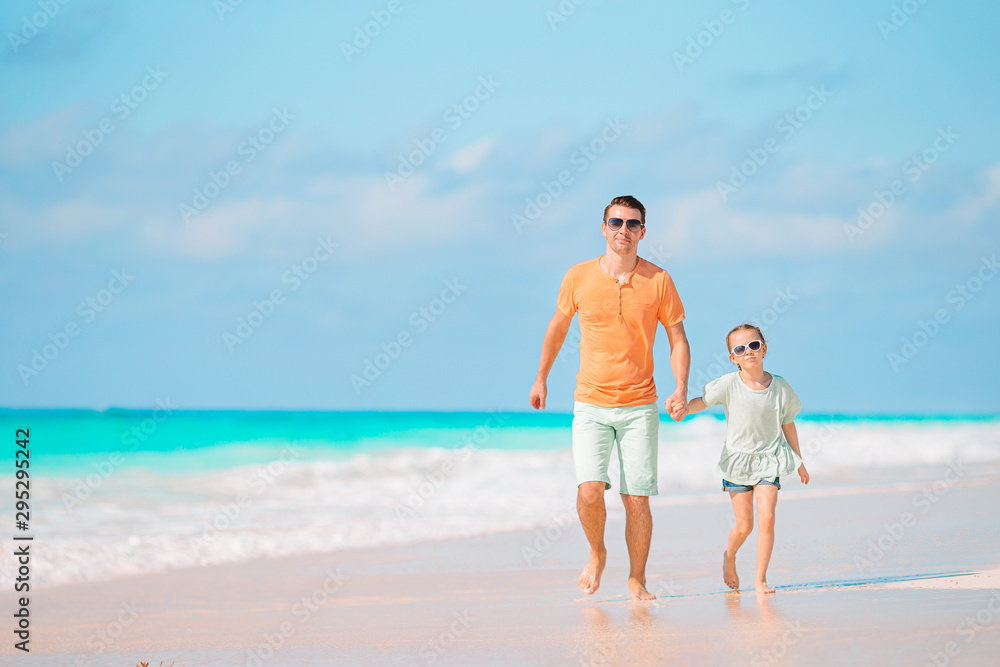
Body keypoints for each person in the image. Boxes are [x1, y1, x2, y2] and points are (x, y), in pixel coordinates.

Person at [529, 195, 690, 601]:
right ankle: (597, 553)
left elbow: (677, 338)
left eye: (632, 224)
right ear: (603, 228)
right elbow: (557, 328)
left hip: (640, 406)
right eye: (616, 222)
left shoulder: (659, 280)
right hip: (590, 402)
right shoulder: (578, 276)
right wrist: (541, 378)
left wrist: (681, 388)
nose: (623, 230)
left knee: (636, 499)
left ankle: (637, 578)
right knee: (588, 490)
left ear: (642, 231)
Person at [681, 324, 809, 595]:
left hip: (770, 459)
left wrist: (799, 461)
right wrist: (682, 409)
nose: (748, 351)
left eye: (753, 345)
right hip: (737, 462)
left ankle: (760, 579)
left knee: (769, 517)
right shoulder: (728, 384)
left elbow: (788, 423)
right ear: (733, 357)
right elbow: (700, 403)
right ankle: (729, 556)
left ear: (764, 348)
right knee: (744, 525)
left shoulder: (781, 387)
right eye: (740, 348)